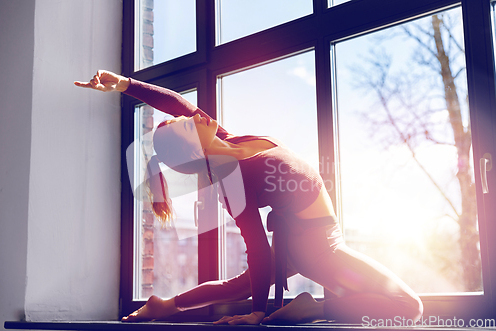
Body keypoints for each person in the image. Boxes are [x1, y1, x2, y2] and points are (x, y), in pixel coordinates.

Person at [74, 70, 423, 326]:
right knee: (409, 307)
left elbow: (174, 102)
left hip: (305, 238)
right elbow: (256, 247)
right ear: (194, 146)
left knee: (235, 286)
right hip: (318, 247)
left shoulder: (227, 139)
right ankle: (313, 309)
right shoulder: (233, 179)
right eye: (187, 123)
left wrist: (124, 84)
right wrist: (257, 312)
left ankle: (165, 305)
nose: (194, 114)